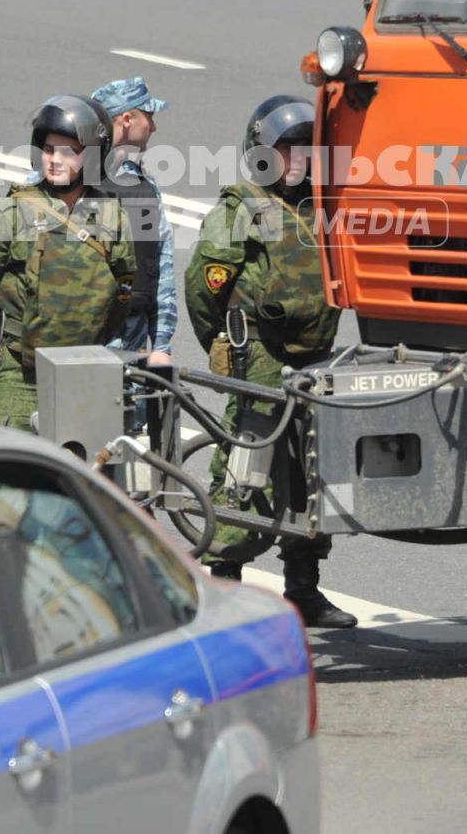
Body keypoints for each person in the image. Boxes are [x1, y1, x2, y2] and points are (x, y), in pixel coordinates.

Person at [185, 96, 353, 629]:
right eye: (286, 149)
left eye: (305, 149)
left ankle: (303, 588)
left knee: (311, 467)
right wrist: (228, 342)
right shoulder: (239, 210)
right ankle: (222, 584)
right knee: (246, 462)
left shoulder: (323, 206)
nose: (297, 160)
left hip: (315, 356)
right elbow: (203, 291)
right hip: (259, 353)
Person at [0, 96, 136, 431]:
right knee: (3, 473)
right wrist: (8, 340)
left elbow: (122, 296)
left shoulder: (113, 219)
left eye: (68, 151)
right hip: (16, 376)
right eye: (49, 149)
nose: (54, 160)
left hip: (79, 374)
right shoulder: (10, 213)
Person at [92, 77, 176, 366]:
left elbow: (158, 263)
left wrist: (161, 344)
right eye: (148, 117)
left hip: (131, 335)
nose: (153, 127)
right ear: (127, 119)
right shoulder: (71, 176)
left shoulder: (142, 185)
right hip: (77, 336)